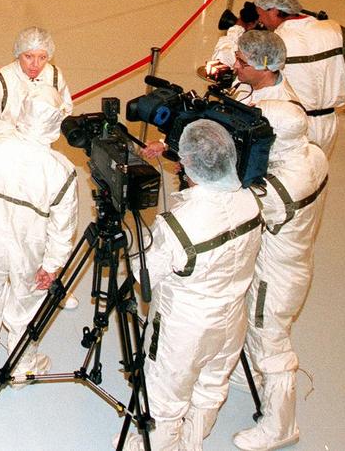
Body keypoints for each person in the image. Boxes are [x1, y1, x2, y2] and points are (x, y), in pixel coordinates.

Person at [130, 120, 262, 451]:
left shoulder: (178, 223)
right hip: (232, 321)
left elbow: (144, 275)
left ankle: (158, 445)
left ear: (187, 163)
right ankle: (192, 442)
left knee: (166, 396)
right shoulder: (251, 202)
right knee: (211, 387)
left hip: (184, 329)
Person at [0, 91, 78, 391]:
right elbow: (63, 228)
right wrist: (53, 265)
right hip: (31, 250)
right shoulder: (61, 169)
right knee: (26, 305)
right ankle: (22, 368)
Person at [233, 101, 328, 451]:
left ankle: (280, 426)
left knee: (271, 344)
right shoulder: (314, 155)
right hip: (294, 265)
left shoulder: (278, 190)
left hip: (273, 277)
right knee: (256, 328)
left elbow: (235, 206)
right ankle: (250, 374)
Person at [253, 0, 345, 155]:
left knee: (289, 169)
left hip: (291, 125)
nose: (260, 21)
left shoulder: (275, 43)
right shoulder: (336, 30)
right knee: (318, 167)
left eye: (260, 14)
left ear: (274, 11)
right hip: (328, 125)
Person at [0, 26, 72, 139]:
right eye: (29, 57)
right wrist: (19, 133)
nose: (35, 64)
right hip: (7, 144)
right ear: (18, 54)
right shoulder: (1, 80)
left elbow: (66, 109)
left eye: (42, 57)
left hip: (42, 145)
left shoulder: (55, 75)